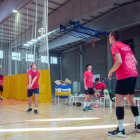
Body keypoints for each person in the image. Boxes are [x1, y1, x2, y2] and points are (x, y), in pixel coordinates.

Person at [108, 30, 140, 137]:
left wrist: (111, 71)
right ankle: (139, 124)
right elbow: (135, 62)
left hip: (124, 76)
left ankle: (120, 130)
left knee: (119, 100)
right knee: (131, 99)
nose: (109, 39)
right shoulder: (127, 46)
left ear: (112, 37)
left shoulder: (114, 46)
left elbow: (119, 61)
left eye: (109, 37)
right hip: (134, 74)